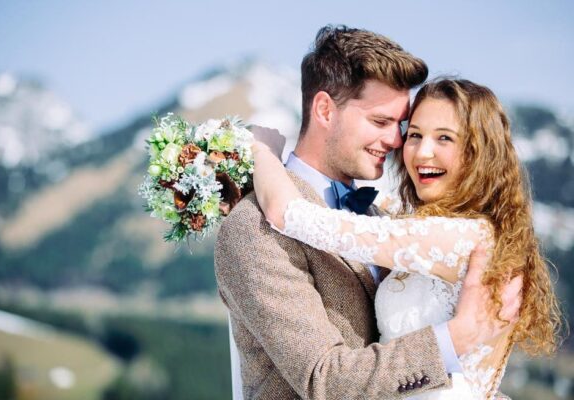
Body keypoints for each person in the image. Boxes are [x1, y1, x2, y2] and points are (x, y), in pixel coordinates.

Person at [214, 25, 522, 399]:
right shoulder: (254, 226)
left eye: (400, 125)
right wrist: (456, 338)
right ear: (325, 110)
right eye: (381, 122)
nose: (396, 142)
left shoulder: (380, 218)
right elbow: (323, 379)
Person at [251, 78, 562, 398]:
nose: (422, 152)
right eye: (414, 135)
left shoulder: (459, 237)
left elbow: (288, 213)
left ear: (479, 153)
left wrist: (262, 150)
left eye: (445, 138)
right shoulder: (469, 231)